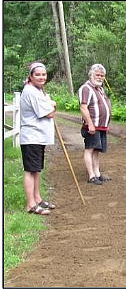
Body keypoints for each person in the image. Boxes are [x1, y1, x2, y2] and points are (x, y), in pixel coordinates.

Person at [20, 62, 56, 215]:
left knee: (36, 170)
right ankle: (30, 205)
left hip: (38, 137)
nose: (42, 77)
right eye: (38, 75)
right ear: (31, 76)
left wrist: (50, 103)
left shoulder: (38, 90)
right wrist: (53, 106)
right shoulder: (31, 91)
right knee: (30, 170)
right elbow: (48, 113)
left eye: (44, 74)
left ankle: (37, 199)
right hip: (31, 137)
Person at [78, 64, 112, 185]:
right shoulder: (86, 88)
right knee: (90, 149)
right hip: (92, 126)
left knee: (97, 150)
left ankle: (97, 173)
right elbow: (83, 107)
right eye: (97, 75)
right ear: (91, 75)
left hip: (101, 126)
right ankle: (91, 176)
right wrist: (90, 124)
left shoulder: (100, 89)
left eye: (102, 76)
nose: (100, 77)